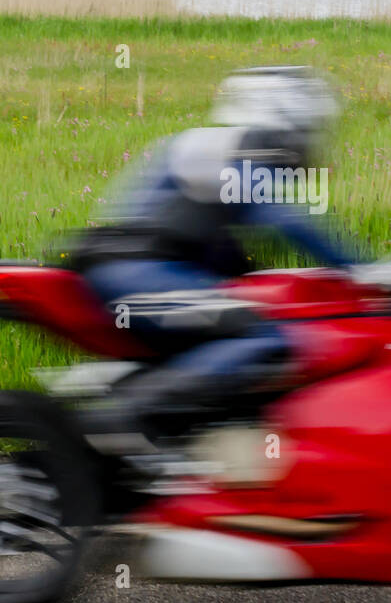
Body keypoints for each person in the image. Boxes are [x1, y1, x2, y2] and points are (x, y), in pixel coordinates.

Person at [69, 66, 355, 444]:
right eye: (312, 127)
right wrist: (365, 269)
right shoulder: (239, 151)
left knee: (256, 324)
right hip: (140, 273)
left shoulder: (217, 150)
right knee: (264, 339)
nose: (312, 140)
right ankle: (125, 417)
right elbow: (288, 220)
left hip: (137, 270)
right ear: (287, 116)